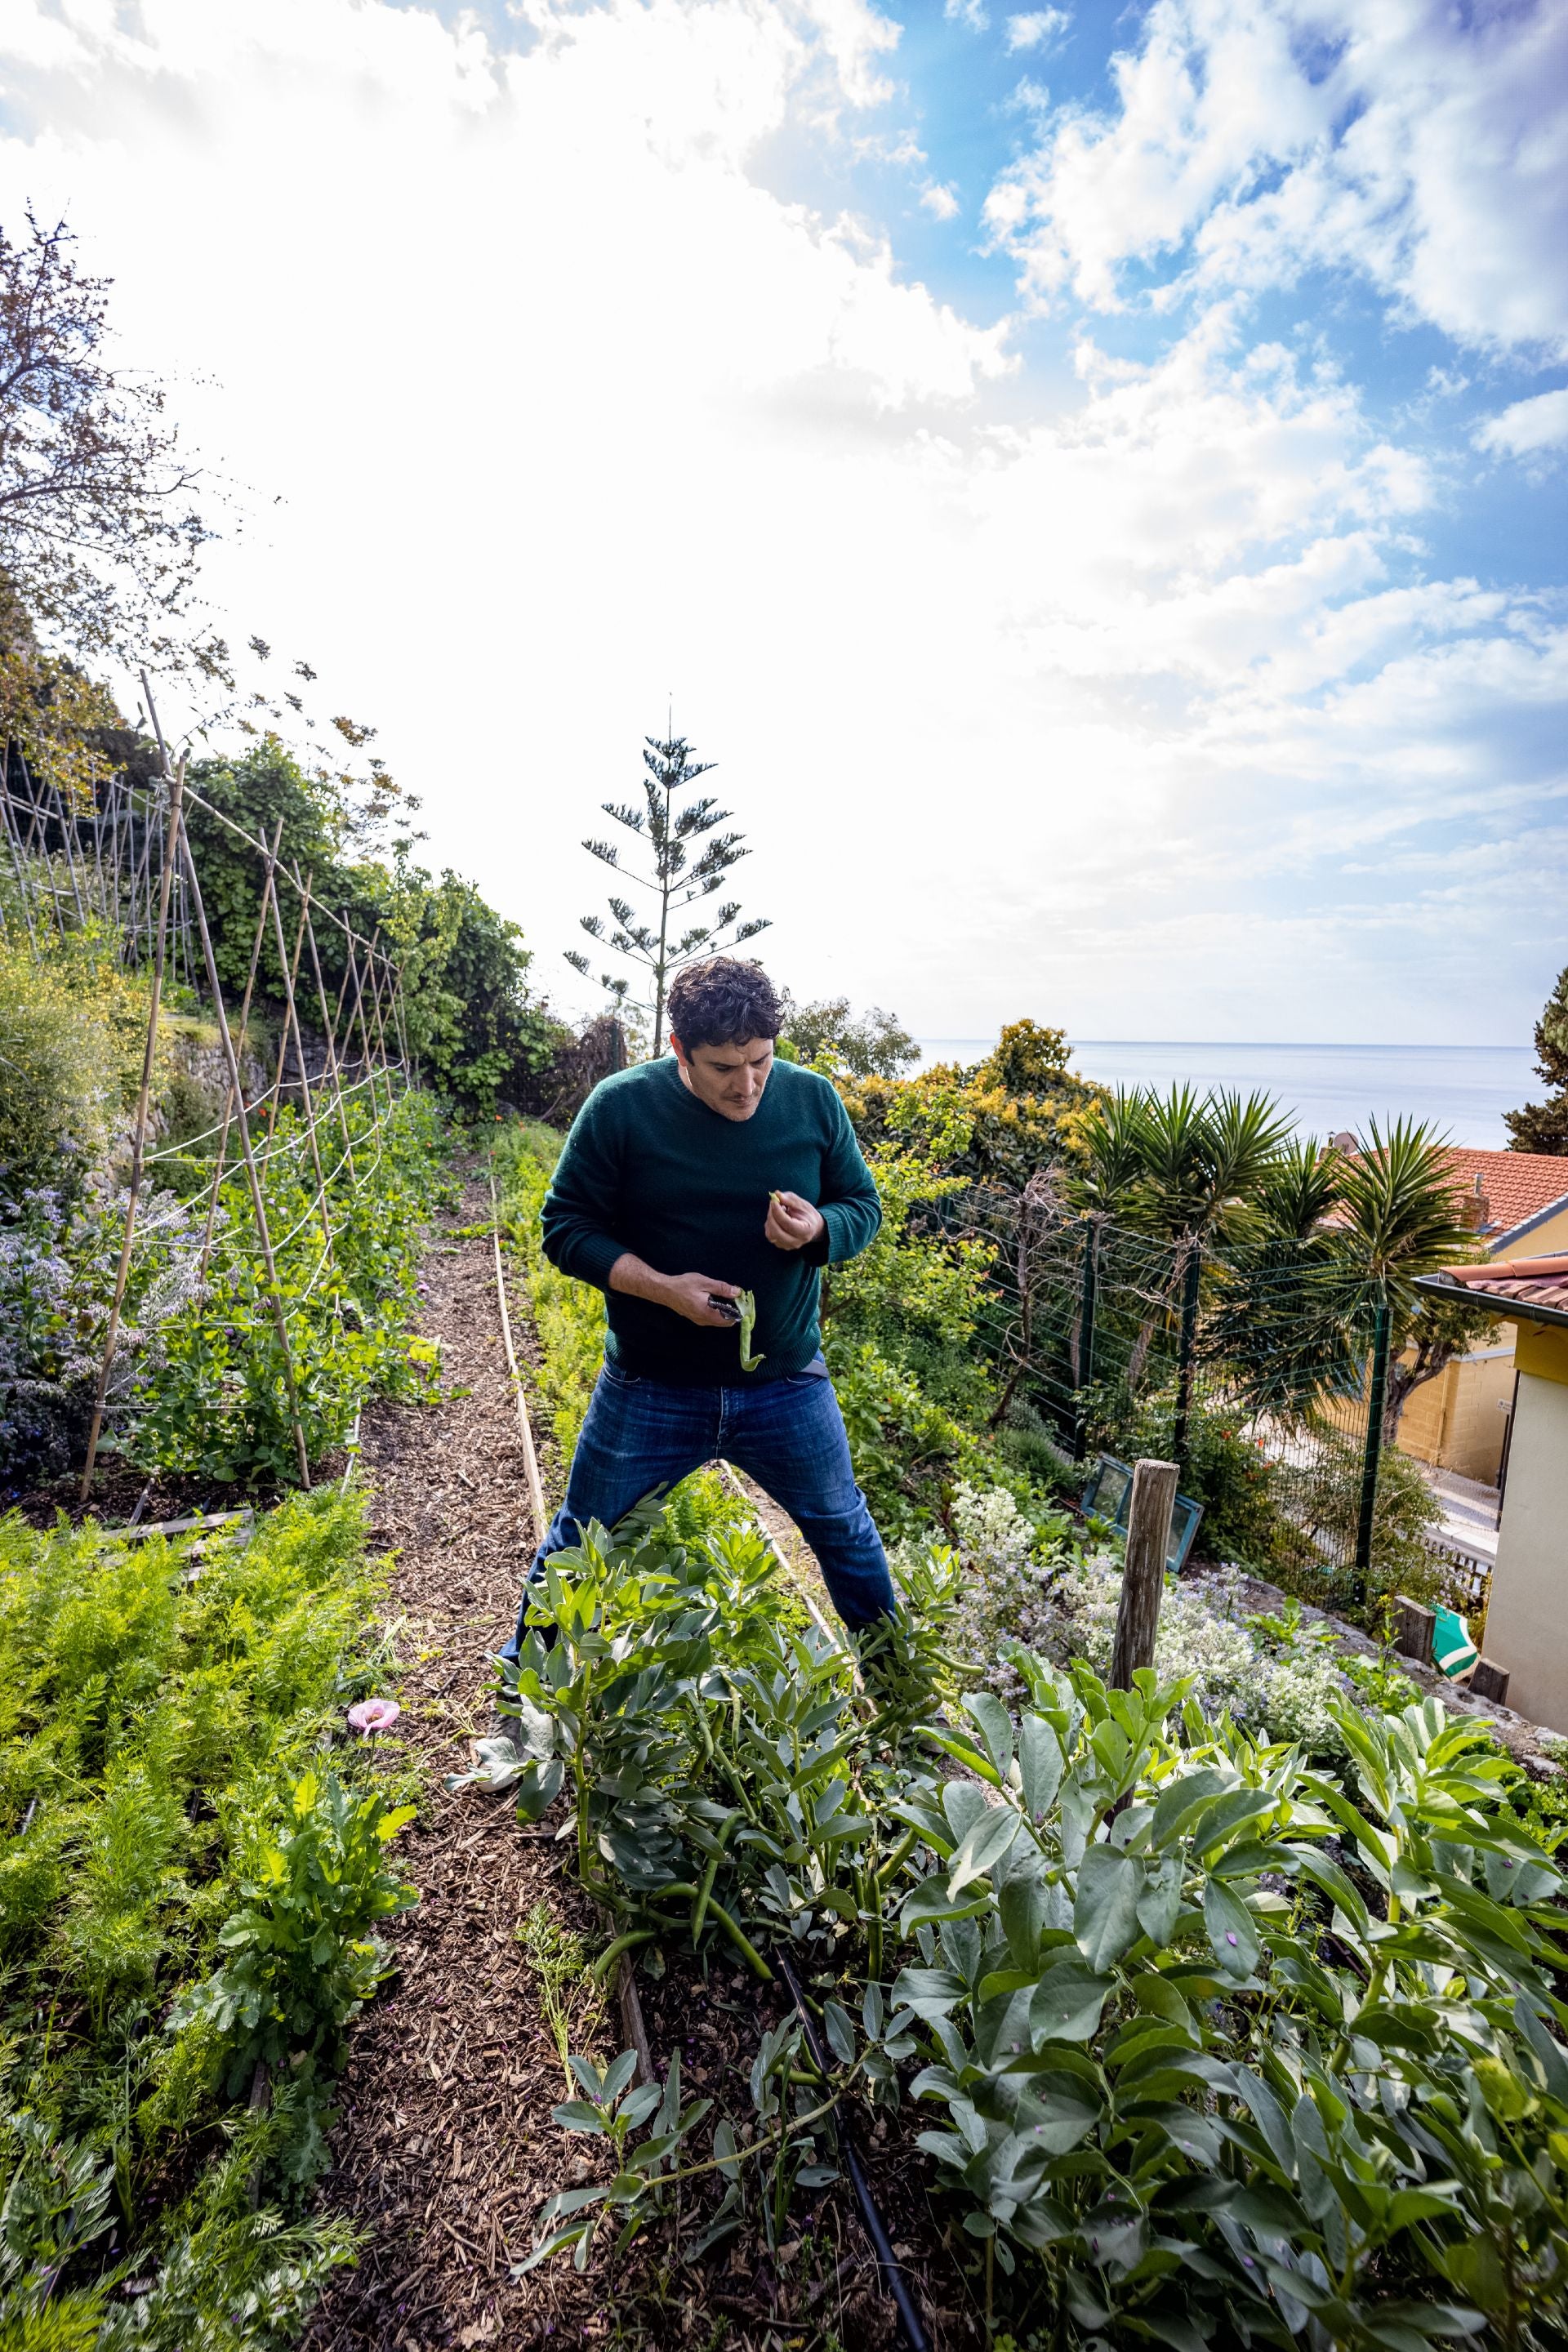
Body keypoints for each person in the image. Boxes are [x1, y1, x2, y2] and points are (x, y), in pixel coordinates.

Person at [501, 955, 896, 1659]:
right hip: (650, 1386)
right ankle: (524, 1704)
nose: (748, 1086)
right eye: (724, 1068)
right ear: (679, 1050)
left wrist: (822, 1231)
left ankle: (904, 1692)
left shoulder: (811, 1100)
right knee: (581, 1540)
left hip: (786, 1381)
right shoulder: (621, 1107)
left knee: (844, 1527)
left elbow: (862, 1205)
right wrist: (661, 1286)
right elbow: (565, 1228)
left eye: (761, 1061)